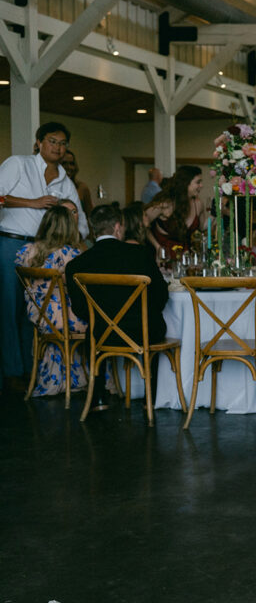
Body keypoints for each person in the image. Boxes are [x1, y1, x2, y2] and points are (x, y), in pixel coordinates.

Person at [0, 122, 88, 390]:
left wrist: (68, 231)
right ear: (39, 142)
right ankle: (12, 372)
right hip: (11, 242)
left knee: (36, 311)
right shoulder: (19, 164)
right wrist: (33, 203)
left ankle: (32, 369)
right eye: (52, 141)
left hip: (46, 251)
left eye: (63, 144)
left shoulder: (66, 181)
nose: (58, 148)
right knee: (8, 308)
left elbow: (82, 223)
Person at [65, 204, 169, 411]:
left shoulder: (76, 265)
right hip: (143, 332)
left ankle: (98, 397)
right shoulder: (140, 254)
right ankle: (152, 397)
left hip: (100, 334)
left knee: (94, 331)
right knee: (157, 325)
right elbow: (161, 296)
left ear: (94, 230)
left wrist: (105, 320)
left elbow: (79, 309)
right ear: (117, 227)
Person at [15, 206, 87, 397]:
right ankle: (87, 379)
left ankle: (55, 379)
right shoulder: (70, 254)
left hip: (38, 316)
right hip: (65, 318)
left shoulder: (28, 251)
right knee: (96, 317)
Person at [150, 165, 207, 252]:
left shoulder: (198, 203)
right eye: (198, 182)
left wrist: (216, 213)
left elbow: (203, 227)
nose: (201, 185)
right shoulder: (165, 204)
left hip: (189, 259)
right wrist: (157, 246)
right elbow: (141, 223)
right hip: (166, 259)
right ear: (185, 183)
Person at [61, 151, 94, 217]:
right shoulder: (50, 188)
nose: (69, 167)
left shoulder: (82, 188)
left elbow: (90, 215)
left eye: (72, 163)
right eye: (64, 163)